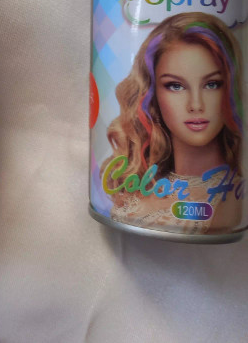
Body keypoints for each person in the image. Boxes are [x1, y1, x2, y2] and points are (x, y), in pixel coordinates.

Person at [102, 12, 244, 233]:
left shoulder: (230, 201)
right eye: (175, 86)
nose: (196, 105)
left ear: (230, 90)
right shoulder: (146, 183)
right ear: (152, 96)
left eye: (212, 84)